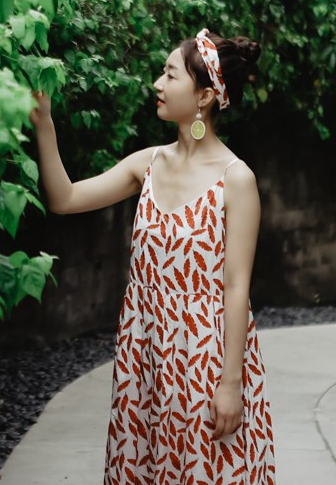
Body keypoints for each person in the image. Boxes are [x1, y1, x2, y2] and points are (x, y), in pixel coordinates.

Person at [30, 29, 277, 485]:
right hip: (144, 356)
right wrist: (44, 122)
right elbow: (64, 198)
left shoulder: (235, 179)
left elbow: (236, 287)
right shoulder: (148, 164)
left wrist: (231, 384)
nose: (157, 85)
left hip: (205, 360)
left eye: (169, 75)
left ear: (204, 96)